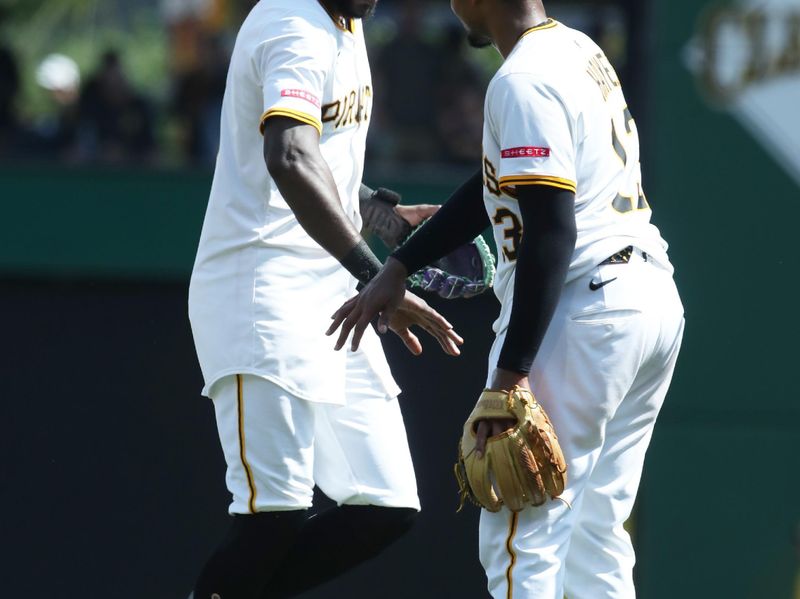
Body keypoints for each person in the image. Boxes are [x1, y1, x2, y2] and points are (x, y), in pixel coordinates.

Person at [327, 0, 685, 597]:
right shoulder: (577, 49)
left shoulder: (522, 79)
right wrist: (403, 260)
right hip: (647, 300)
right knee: (596, 534)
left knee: (521, 530)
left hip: (586, 306)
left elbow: (551, 230)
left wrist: (512, 376)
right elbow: (496, 183)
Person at [186, 0, 462, 597]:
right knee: (273, 518)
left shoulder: (349, 19)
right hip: (261, 292)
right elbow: (287, 157)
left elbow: (321, 154)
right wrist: (377, 275)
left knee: (386, 504)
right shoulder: (291, 23)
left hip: (329, 292)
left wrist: (381, 215)